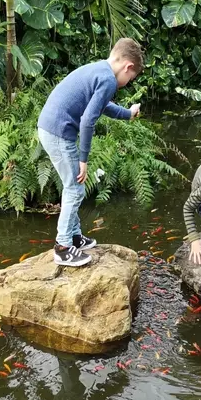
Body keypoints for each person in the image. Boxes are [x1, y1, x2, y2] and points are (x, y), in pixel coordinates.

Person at [38, 38, 144, 267]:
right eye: (131, 78)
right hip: (58, 132)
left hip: (51, 129)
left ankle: (74, 235)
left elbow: (102, 106)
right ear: (127, 67)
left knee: (73, 186)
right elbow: (88, 121)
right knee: (75, 187)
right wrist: (84, 159)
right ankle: (63, 247)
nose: (127, 82)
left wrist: (127, 114)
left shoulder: (100, 70)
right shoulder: (107, 79)